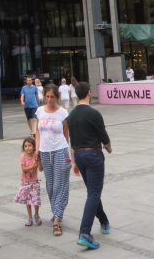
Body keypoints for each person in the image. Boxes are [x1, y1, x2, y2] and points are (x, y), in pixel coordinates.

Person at [67, 81, 111, 250]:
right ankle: (84, 233)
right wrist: (109, 147)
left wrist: (75, 162)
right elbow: (103, 135)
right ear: (89, 93)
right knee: (94, 193)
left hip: (79, 154)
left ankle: (104, 221)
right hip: (93, 155)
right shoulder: (94, 113)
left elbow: (72, 140)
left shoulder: (70, 115)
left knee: (92, 191)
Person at [34, 83, 71, 237]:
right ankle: (57, 212)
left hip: (60, 151)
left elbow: (66, 132)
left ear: (57, 97)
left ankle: (57, 219)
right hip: (44, 152)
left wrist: (68, 152)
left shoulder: (63, 112)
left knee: (59, 185)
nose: (49, 100)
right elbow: (37, 131)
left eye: (52, 97)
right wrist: (36, 149)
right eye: (47, 97)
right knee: (50, 187)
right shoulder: (40, 111)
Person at [13, 137, 41, 227]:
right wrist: (33, 166)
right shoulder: (23, 156)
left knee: (36, 201)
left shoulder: (36, 156)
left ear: (34, 147)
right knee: (28, 201)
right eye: (25, 146)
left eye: (30, 146)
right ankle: (29, 218)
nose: (28, 148)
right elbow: (24, 169)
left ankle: (36, 215)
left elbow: (40, 168)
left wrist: (39, 161)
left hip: (34, 182)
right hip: (25, 182)